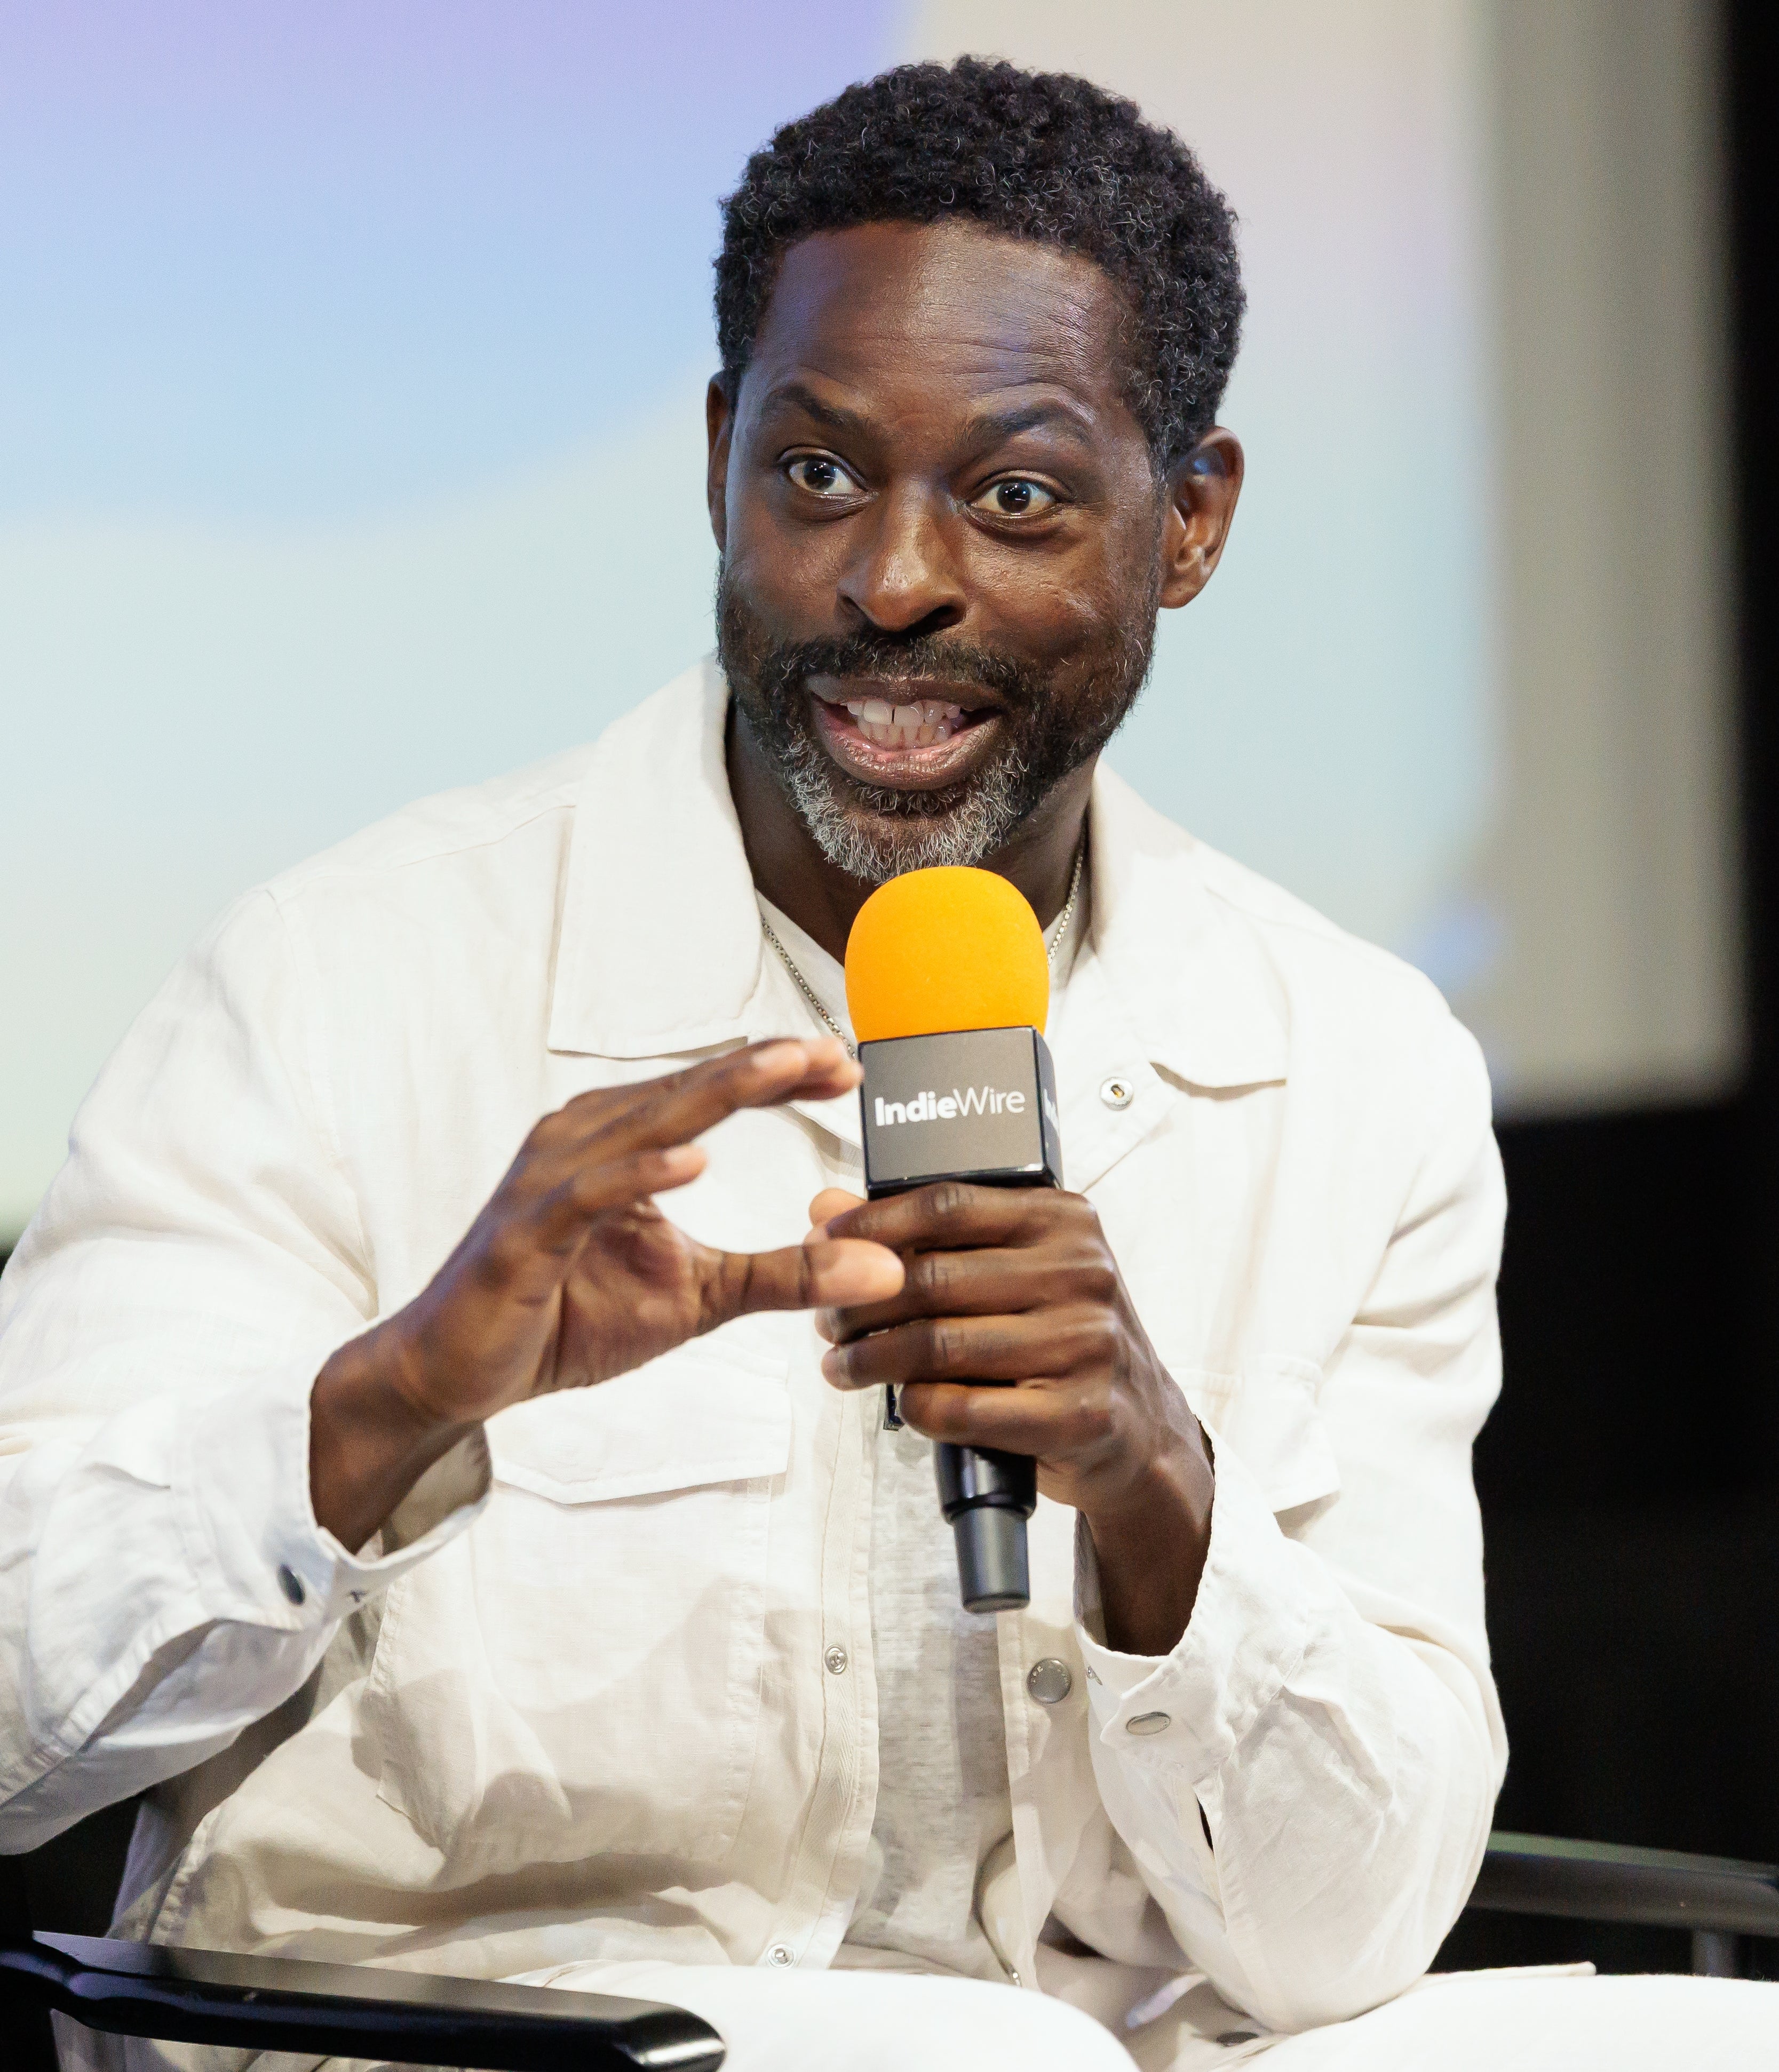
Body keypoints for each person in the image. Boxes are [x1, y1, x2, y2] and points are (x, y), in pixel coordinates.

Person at [0, 57, 1769, 2072]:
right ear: (719, 461)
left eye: (1013, 498)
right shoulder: (342, 983)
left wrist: (1158, 1491)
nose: (892, 578)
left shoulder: (1354, 1067)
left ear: (1189, 520)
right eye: (819, 475)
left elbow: (1354, 1921)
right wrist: (391, 1399)